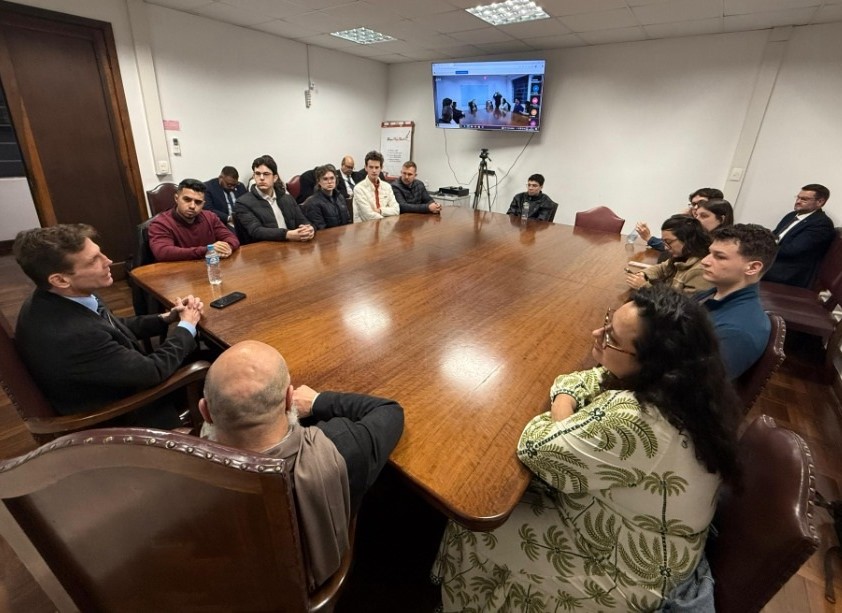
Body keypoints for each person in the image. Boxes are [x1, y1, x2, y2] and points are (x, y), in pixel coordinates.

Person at [432, 285, 741, 612]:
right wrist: (568, 401)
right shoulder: (690, 388)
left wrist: (562, 408)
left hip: (623, 572)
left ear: (651, 363)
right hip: (651, 539)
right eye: (608, 323)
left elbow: (536, 446)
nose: (598, 334)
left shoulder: (636, 420)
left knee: (477, 524)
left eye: (613, 339)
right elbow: (595, 376)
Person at [199, 340, 404, 590]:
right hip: (310, 590)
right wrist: (318, 401)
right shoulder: (338, 447)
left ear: (205, 411)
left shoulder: (176, 467)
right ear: (289, 400)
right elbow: (390, 412)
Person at [13, 224, 202, 424]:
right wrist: (187, 326)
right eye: (94, 260)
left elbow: (113, 326)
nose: (108, 261)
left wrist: (166, 318)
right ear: (60, 279)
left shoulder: (56, 296)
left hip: (113, 379)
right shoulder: (76, 336)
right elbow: (153, 371)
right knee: (212, 368)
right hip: (127, 413)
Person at [697, 223, 778, 379]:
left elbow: (698, 389)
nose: (705, 261)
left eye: (719, 257)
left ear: (753, 268)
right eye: (709, 253)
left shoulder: (737, 331)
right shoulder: (714, 293)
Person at [149, 178, 240, 262]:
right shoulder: (161, 223)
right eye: (187, 199)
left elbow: (232, 238)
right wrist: (207, 250)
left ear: (203, 204)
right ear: (176, 198)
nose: (192, 206)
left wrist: (227, 248)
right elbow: (163, 252)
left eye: (198, 202)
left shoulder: (210, 217)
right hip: (178, 275)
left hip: (208, 270)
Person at [763, 183, 835, 288]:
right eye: (798, 197)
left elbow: (792, 251)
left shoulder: (821, 224)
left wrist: (763, 248)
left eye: (804, 199)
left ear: (820, 202)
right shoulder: (791, 215)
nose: (798, 202)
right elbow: (773, 236)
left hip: (788, 271)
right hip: (773, 261)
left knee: (739, 268)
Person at [233, 155, 315, 243]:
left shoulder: (287, 198)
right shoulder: (243, 203)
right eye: (257, 174)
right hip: (264, 250)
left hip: (292, 247)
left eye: (266, 174)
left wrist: (310, 229)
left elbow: (302, 221)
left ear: (275, 178)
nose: (261, 178)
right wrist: (287, 234)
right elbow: (256, 231)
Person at [625, 214, 713, 295]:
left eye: (668, 242)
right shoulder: (683, 256)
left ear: (688, 240)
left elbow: (680, 307)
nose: (666, 248)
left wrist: (645, 286)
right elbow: (662, 268)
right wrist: (643, 274)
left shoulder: (700, 271)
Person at [636, 188, 725, 252]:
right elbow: (670, 244)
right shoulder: (692, 224)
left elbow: (672, 248)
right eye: (693, 204)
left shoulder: (720, 238)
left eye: (701, 203)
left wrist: (649, 238)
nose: (696, 207)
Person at [353, 150, 400, 222]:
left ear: (381, 168)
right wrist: (387, 218)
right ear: (366, 168)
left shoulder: (387, 187)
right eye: (371, 167)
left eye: (377, 167)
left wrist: (380, 210)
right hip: (364, 229)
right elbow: (368, 216)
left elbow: (396, 210)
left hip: (385, 229)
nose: (374, 170)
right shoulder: (359, 189)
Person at [302, 164, 352, 229]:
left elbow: (348, 221)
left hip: (343, 235)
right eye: (325, 179)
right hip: (327, 237)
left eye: (332, 178)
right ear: (319, 181)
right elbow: (321, 229)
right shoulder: (312, 203)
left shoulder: (340, 197)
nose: (329, 182)